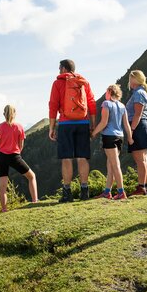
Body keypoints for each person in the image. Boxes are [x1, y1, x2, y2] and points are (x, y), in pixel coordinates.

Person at [49, 59, 96, 202]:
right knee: (82, 157)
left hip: (65, 124)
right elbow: (91, 103)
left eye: (59, 68)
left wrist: (51, 128)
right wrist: (92, 125)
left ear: (64, 69)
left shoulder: (58, 83)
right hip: (83, 122)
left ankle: (67, 193)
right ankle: (84, 192)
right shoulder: (83, 82)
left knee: (67, 158)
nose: (58, 71)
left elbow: (53, 106)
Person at [91, 84, 133, 200]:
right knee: (110, 165)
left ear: (109, 92)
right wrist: (130, 138)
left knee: (115, 165)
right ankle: (107, 192)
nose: (105, 94)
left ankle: (121, 192)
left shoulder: (106, 104)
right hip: (120, 137)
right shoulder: (122, 106)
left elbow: (104, 123)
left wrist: (93, 133)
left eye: (106, 92)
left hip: (109, 137)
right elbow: (126, 125)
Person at [0, 104, 39, 212]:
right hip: (15, 156)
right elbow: (21, 145)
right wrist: (16, 152)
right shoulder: (19, 127)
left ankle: (4, 209)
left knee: (3, 185)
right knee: (32, 176)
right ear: (15, 113)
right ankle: (35, 201)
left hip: (2, 157)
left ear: (4, 114)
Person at [127, 69, 147, 196]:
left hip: (138, 126)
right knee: (144, 159)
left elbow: (137, 114)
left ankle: (141, 187)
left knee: (139, 159)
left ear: (136, 79)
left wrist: (131, 130)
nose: (130, 81)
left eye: (131, 79)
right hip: (143, 125)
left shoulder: (138, 93)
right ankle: (145, 187)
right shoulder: (143, 92)